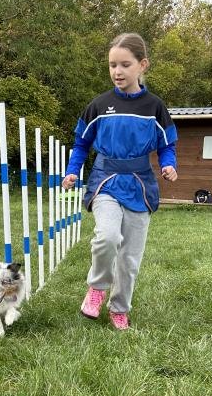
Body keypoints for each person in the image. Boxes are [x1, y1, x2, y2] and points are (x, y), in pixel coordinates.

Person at [62, 32, 178, 330]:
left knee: (129, 257)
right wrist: (73, 170)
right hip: (105, 181)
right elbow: (81, 143)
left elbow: (166, 145)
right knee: (107, 236)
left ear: (143, 65)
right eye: (112, 65)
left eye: (125, 65)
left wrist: (168, 166)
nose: (117, 71)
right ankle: (97, 288)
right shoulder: (99, 105)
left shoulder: (154, 107)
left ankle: (119, 308)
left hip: (140, 186)